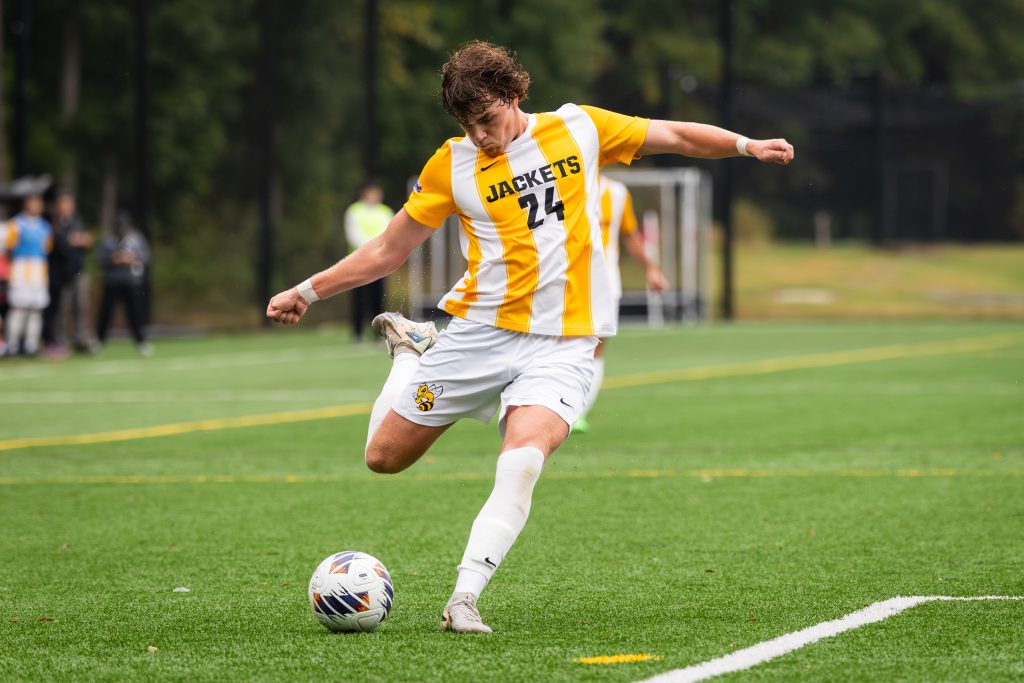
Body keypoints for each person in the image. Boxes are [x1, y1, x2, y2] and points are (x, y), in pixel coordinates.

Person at [266, 40, 793, 633]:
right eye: (469, 126)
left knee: (522, 460)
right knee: (383, 459)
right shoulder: (452, 163)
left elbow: (674, 135)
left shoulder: (580, 128)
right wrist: (307, 292)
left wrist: (746, 145)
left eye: (488, 120)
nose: (482, 136)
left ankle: (464, 598)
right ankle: (411, 354)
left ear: (516, 94)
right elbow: (389, 249)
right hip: (480, 334)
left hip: (565, 343)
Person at [572, 176, 668, 433]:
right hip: (567, 280)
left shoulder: (616, 193)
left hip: (605, 282)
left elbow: (630, 235)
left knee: (597, 347)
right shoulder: (563, 183)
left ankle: (578, 412)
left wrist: (651, 269)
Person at [43, 193, 95, 356]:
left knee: (81, 305)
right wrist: (74, 241)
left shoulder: (77, 222)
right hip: (61, 274)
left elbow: (87, 241)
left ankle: (81, 338)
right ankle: (60, 339)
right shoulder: (54, 225)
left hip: (78, 271)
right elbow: (61, 244)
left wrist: (79, 241)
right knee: (62, 308)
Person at [96, 210, 151, 356]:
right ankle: (99, 340)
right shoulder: (109, 240)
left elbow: (145, 257)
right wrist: (113, 259)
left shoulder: (136, 239)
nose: (121, 230)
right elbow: (100, 258)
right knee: (106, 313)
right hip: (112, 281)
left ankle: (141, 341)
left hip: (131, 281)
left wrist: (131, 259)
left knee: (135, 313)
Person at [3, 194, 53, 357]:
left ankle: (31, 344)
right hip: (21, 269)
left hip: (38, 271)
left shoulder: (45, 226)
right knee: (18, 307)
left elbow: (46, 249)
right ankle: (12, 344)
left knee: (36, 309)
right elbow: (9, 248)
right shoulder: (16, 224)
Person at [343, 183, 394, 341]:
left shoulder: (385, 211)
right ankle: (357, 334)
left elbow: (390, 232)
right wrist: (370, 249)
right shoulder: (354, 210)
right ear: (365, 194)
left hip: (380, 261)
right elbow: (353, 234)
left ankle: (378, 334)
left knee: (378, 298)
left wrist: (379, 250)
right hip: (359, 260)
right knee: (359, 298)